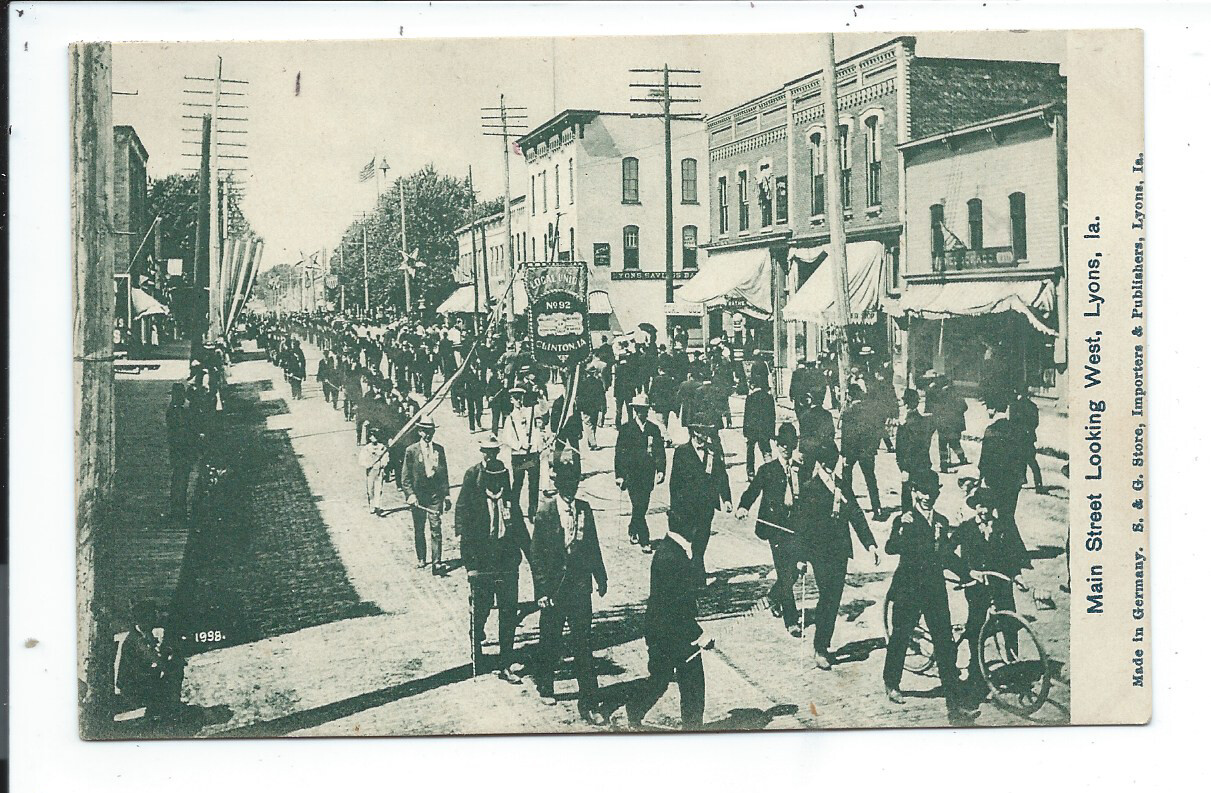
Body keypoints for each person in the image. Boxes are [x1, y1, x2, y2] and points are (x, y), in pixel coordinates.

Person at [882, 469, 979, 725]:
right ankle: (891, 682)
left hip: (934, 590)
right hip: (908, 589)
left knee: (945, 642)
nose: (927, 498)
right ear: (914, 492)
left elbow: (946, 555)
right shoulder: (904, 519)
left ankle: (955, 703)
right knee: (901, 636)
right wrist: (901, 530)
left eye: (932, 493)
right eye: (923, 493)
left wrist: (968, 572)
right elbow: (891, 547)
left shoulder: (941, 521)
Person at [531, 451, 608, 723]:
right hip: (554, 591)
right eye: (566, 483)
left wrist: (600, 576)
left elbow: (593, 545)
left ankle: (589, 702)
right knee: (550, 641)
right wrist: (541, 592)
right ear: (558, 485)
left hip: (579, 588)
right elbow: (536, 555)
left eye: (574, 482)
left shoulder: (584, 509)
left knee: (583, 645)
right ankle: (545, 685)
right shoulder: (545, 512)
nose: (570, 488)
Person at [798, 434, 880, 668]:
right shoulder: (811, 488)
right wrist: (801, 558)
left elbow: (856, 514)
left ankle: (823, 644)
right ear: (822, 462)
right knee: (827, 596)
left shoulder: (842, 486)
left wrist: (870, 544)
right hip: (819, 553)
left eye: (835, 460)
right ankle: (820, 647)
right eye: (830, 461)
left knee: (833, 599)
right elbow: (802, 526)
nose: (833, 465)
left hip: (840, 552)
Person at [626, 513, 713, 730]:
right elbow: (674, 605)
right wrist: (699, 635)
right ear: (689, 527)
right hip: (669, 631)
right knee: (670, 681)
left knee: (676, 680)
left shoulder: (672, 549)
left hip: (667, 629)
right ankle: (635, 710)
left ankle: (691, 728)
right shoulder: (671, 557)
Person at [457, 436, 528, 683]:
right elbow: (464, 521)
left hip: (506, 559)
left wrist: (529, 552)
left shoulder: (503, 474)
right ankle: (477, 649)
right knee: (482, 609)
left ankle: (505, 663)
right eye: (487, 452)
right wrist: (469, 565)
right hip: (482, 561)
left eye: (494, 452)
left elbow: (515, 514)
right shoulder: (472, 477)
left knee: (508, 612)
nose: (491, 457)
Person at [953, 487, 1031, 687]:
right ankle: (975, 668)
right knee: (976, 625)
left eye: (988, 506)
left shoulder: (1004, 527)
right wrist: (967, 572)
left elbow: (1013, 555)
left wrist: (1017, 576)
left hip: (1000, 583)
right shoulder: (966, 528)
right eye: (981, 506)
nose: (985, 511)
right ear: (975, 507)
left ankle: (1013, 664)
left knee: (1009, 622)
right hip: (976, 585)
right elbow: (947, 550)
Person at [737, 422, 808, 635]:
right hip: (774, 530)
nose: (786, 448)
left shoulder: (801, 470)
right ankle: (791, 621)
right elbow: (752, 491)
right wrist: (743, 506)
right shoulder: (767, 470)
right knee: (785, 572)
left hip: (795, 529)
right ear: (777, 445)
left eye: (790, 444)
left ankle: (774, 598)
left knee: (794, 572)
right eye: (782, 444)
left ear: (795, 445)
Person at [669, 422, 732, 582]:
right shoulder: (682, 452)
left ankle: (698, 567)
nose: (706, 435)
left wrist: (726, 499)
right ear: (694, 432)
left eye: (707, 431)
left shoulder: (713, 451)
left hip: (707, 504)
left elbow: (721, 476)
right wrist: (675, 506)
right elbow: (675, 481)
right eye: (702, 431)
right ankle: (690, 567)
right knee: (688, 537)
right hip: (687, 505)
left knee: (702, 537)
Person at [614, 394, 667, 551]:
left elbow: (659, 452)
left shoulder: (653, 429)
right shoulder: (626, 429)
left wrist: (661, 470)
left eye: (644, 410)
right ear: (634, 410)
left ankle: (632, 527)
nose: (641, 413)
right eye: (638, 409)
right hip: (631, 475)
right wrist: (619, 475)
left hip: (647, 474)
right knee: (638, 504)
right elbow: (619, 454)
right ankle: (645, 540)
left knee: (642, 506)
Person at [403, 417, 452, 573]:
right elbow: (405, 478)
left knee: (436, 527)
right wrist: (410, 495)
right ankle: (421, 558)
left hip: (435, 496)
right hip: (418, 496)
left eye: (431, 431)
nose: (428, 434)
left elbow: (444, 474)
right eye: (425, 431)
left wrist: (447, 495)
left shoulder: (439, 449)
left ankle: (437, 561)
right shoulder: (411, 451)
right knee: (419, 528)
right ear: (420, 432)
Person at [840, 383, 884, 517]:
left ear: (850, 396)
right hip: (867, 451)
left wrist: (844, 454)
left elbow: (846, 435)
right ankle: (877, 508)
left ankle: (849, 506)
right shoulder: (871, 411)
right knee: (870, 479)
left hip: (852, 451)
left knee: (846, 477)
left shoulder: (848, 412)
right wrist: (873, 448)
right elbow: (878, 432)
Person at [503, 385, 544, 519]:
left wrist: (541, 396)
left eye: (520, 398)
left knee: (534, 484)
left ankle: (533, 511)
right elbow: (506, 438)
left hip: (532, 454)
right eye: (516, 398)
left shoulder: (530, 411)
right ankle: (515, 511)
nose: (519, 401)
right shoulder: (510, 418)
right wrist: (519, 445)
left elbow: (543, 409)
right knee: (517, 483)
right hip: (518, 456)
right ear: (511, 400)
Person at [895, 389, 934, 512]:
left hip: (910, 466)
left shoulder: (907, 424)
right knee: (922, 496)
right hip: (923, 463)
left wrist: (905, 468)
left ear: (906, 404)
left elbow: (907, 448)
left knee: (908, 496)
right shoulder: (924, 422)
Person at [165, 383, 199, 520]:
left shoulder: (177, 410)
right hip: (181, 451)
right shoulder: (177, 411)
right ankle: (178, 511)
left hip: (181, 451)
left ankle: (179, 510)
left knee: (180, 481)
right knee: (180, 481)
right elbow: (183, 431)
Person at [1010, 386, 1043, 489]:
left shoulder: (1015, 405)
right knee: (1031, 460)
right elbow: (1035, 422)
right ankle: (1038, 484)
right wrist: (1029, 429)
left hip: (1018, 436)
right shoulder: (1032, 406)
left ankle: (1021, 480)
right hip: (1028, 437)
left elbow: (1012, 422)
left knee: (1020, 459)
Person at [742, 376, 775, 480]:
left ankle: (750, 473)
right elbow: (772, 416)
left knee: (750, 450)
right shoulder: (769, 398)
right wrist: (772, 432)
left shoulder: (750, 398)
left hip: (752, 430)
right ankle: (770, 472)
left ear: (753, 385)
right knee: (766, 451)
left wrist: (745, 431)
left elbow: (746, 416)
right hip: (765, 429)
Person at [358, 428, 390, 516]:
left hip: (379, 470)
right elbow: (362, 460)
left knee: (378, 488)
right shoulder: (366, 448)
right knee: (370, 489)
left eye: (375, 436)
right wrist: (368, 464)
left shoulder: (382, 447)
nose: (373, 438)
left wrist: (383, 465)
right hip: (371, 471)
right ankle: (371, 505)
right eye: (372, 436)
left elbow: (386, 457)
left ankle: (377, 505)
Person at [577, 367, 607, 450]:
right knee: (593, 424)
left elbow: (579, 396)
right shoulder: (598, 382)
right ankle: (593, 443)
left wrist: (579, 407)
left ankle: (591, 442)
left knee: (589, 424)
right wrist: (603, 406)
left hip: (586, 407)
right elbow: (602, 395)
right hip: (595, 406)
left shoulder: (583, 383)